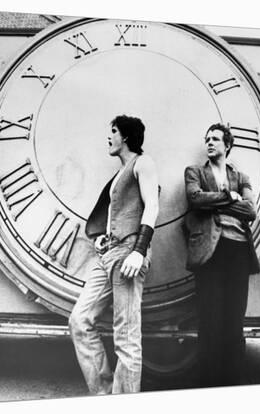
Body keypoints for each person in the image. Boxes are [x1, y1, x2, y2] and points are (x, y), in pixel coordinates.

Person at [69, 115, 159, 394]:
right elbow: (116, 213)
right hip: (107, 255)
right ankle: (104, 394)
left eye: (114, 131)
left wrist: (139, 250)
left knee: (127, 337)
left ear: (127, 137)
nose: (109, 137)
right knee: (79, 320)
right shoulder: (119, 173)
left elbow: (152, 206)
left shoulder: (143, 163)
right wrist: (102, 239)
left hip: (129, 253)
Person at [184, 123, 260, 387]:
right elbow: (195, 199)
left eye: (215, 138)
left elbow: (250, 211)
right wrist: (230, 197)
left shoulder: (242, 176)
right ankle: (208, 384)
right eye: (207, 139)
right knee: (209, 320)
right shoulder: (194, 172)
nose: (210, 143)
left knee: (234, 320)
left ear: (227, 145)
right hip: (210, 252)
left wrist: (217, 200)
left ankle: (233, 383)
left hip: (238, 250)